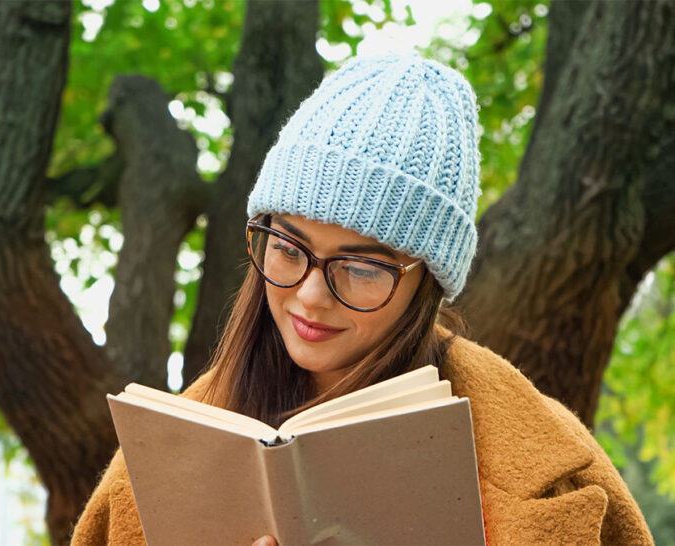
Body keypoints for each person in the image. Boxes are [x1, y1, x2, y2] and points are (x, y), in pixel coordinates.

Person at [70, 54, 653, 545]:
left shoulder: (554, 464)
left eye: (360, 267)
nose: (310, 294)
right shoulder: (153, 463)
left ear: (427, 280)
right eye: (288, 247)